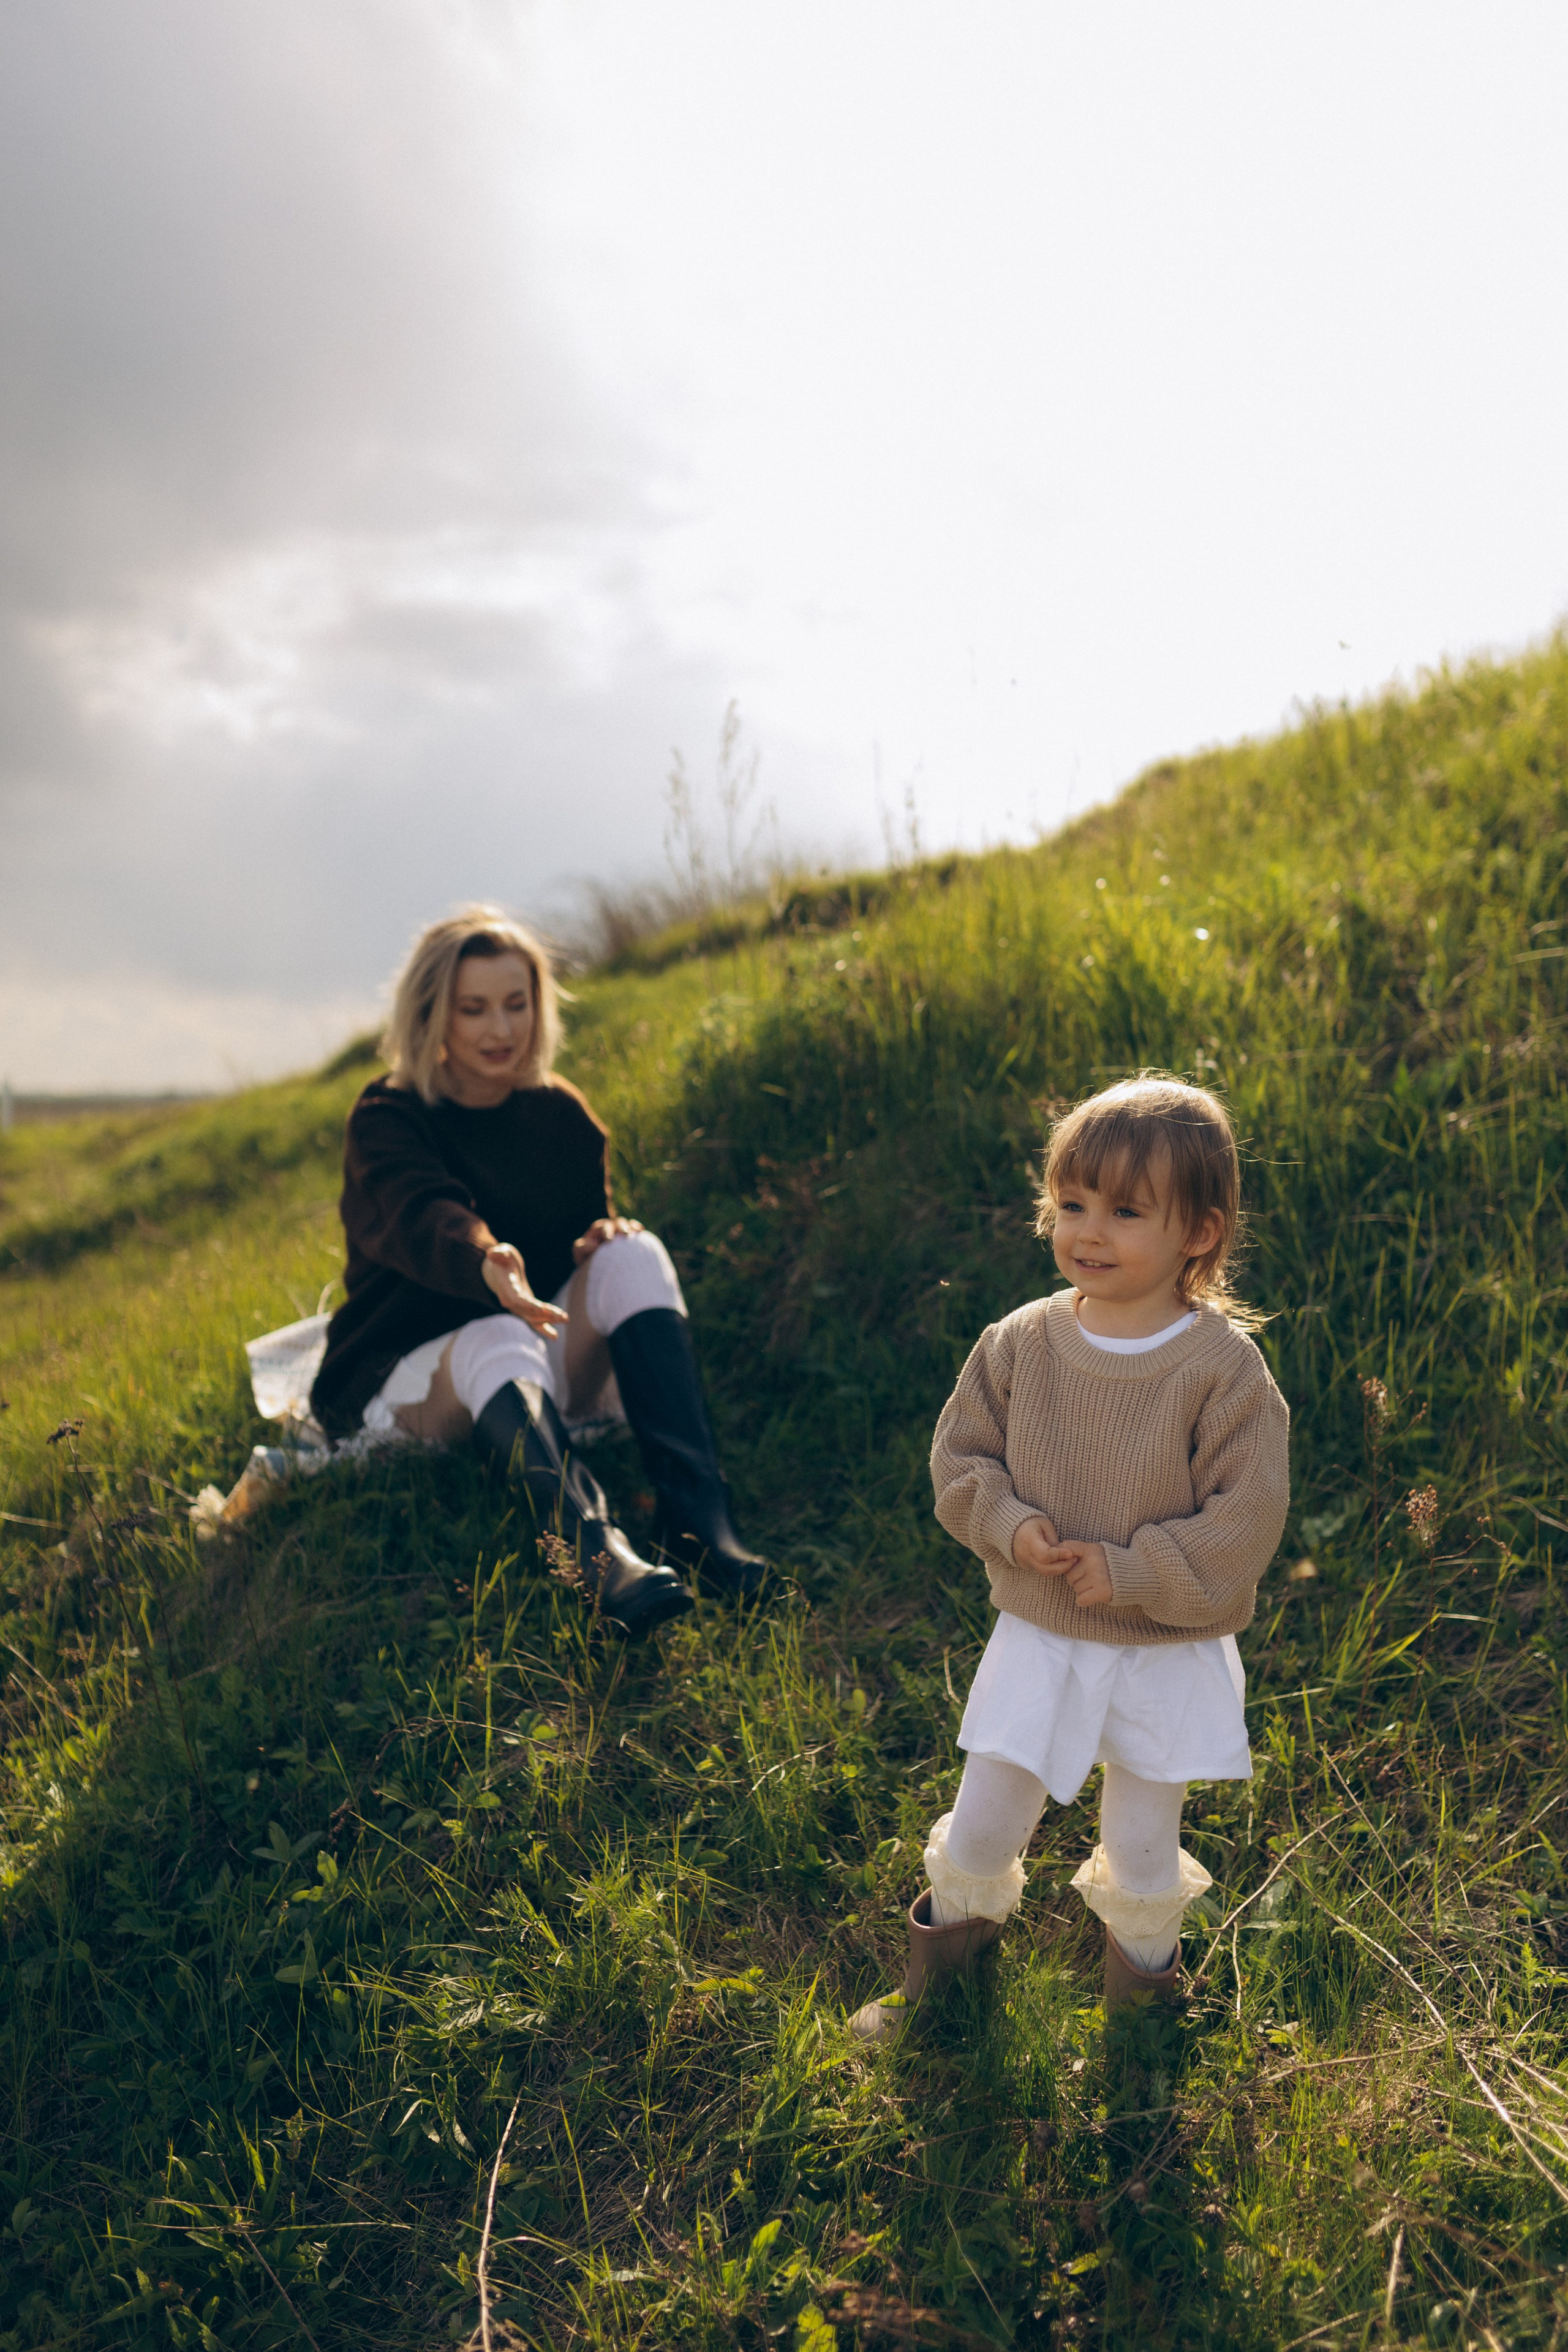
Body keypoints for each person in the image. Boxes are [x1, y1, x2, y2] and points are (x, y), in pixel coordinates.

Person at [851, 1074, 1289, 2037]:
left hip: (1162, 1645)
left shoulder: (1222, 1372)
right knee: (984, 1818)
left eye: (1127, 1211)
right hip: (1042, 1635)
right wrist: (1008, 1523)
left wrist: (1132, 1570)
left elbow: (1245, 1518)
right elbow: (960, 1459)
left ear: (1200, 1234)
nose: (1088, 1230)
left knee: (1140, 1845)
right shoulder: (1021, 1344)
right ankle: (939, 2004)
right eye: (1073, 1203)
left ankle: (1141, 2032)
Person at [311, 905, 767, 1639]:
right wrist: (490, 1261)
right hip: (404, 1374)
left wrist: (596, 1243)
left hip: (523, 1365)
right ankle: (593, 1557)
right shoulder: (386, 1116)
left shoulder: (561, 1116)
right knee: (496, 1330)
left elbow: (576, 1242)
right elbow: (424, 1212)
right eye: (475, 1009)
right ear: (435, 1016)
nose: (501, 1029)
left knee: (634, 1252)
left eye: (516, 1004)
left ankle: (701, 1529)